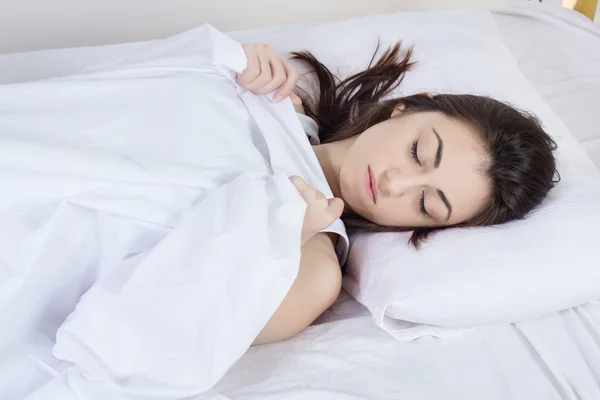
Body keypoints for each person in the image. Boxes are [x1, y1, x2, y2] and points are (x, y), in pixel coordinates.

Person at [238, 42, 558, 345]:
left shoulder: (313, 272)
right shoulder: (273, 95)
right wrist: (236, 59)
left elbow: (201, 330)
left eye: (425, 203)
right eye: (417, 152)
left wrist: (279, 235)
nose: (394, 184)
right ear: (406, 108)